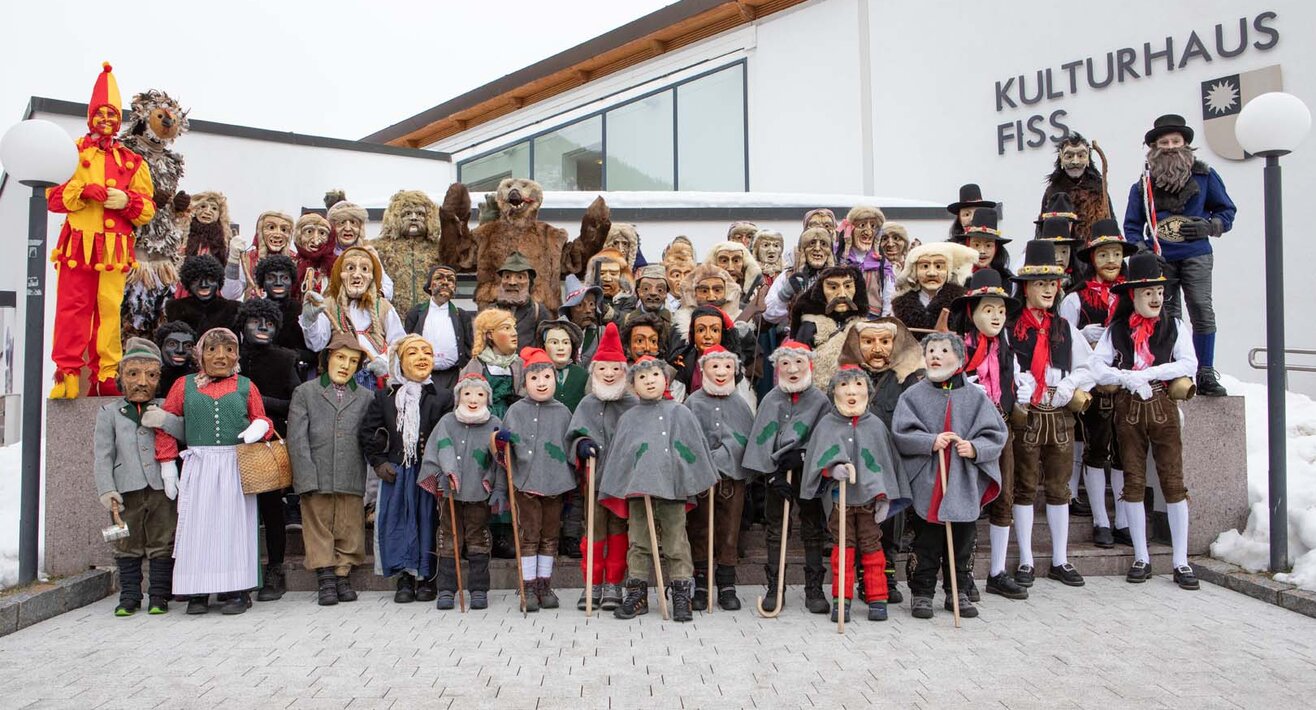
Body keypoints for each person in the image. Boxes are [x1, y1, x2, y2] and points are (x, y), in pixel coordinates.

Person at [1089, 253, 1200, 589]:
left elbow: (1188, 364)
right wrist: (1126, 378)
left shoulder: (1175, 326)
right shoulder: (1116, 330)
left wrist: (1149, 373)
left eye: (1159, 292)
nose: (1155, 298)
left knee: (1173, 481)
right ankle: (1141, 556)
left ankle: (1181, 561)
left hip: (1163, 405)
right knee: (1132, 481)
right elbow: (1096, 367)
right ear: (1133, 295)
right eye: (1147, 292)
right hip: (1129, 409)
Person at [47, 62, 156, 398]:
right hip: (78, 247)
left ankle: (106, 373)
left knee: (109, 309)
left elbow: (147, 208)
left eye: (112, 114)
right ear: (90, 117)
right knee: (72, 309)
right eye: (100, 113)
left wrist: (125, 200)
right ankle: (67, 373)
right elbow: (52, 198)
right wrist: (81, 193)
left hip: (113, 250)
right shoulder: (72, 153)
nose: (106, 120)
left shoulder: (132, 162)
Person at [154, 327, 273, 616]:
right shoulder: (184, 386)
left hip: (235, 465)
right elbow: (166, 424)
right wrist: (168, 464)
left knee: (234, 527)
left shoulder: (246, 386)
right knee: (199, 526)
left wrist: (259, 428)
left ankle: (236, 589)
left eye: (228, 350)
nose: (221, 356)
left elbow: (263, 419)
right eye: (212, 350)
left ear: (237, 355)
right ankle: (198, 590)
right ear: (200, 354)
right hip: (201, 465)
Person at [892, 332, 1007, 620]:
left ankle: (959, 591)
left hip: (962, 479)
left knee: (962, 540)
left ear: (959, 358)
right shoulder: (912, 396)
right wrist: (929, 441)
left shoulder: (976, 397)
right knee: (926, 540)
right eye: (931, 350)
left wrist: (975, 448)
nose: (936, 355)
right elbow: (901, 433)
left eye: (944, 350)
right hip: (930, 480)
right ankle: (922, 592)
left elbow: (995, 434)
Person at [1123, 114, 1236, 396]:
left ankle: (1206, 371)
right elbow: (1132, 227)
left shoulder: (1205, 176)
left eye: (1176, 141)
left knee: (1201, 308)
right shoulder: (1142, 185)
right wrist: (1144, 251)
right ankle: (1173, 369)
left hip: (1196, 254)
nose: (1171, 146)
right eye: (1165, 142)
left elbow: (1227, 211)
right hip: (1161, 259)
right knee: (1168, 315)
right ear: (1155, 148)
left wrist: (1209, 227)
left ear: (1186, 144)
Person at [598, 356, 719, 622]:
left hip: (673, 490)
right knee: (638, 541)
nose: (649, 381)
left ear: (665, 379)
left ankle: (680, 593)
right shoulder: (629, 418)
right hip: (639, 492)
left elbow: (692, 448)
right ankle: (637, 593)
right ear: (633, 385)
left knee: (676, 541)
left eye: (654, 375)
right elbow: (622, 454)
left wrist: (685, 473)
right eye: (641, 377)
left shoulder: (680, 412)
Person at [1008, 240, 1097, 589]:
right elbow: (1003, 363)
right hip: (1027, 415)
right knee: (1025, 485)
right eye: (1040, 283)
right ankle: (1027, 560)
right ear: (1026, 287)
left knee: (1059, 487)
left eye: (1052, 284)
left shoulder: (1064, 328)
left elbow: (1089, 366)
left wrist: (1069, 384)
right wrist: (1020, 381)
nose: (1047, 289)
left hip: (1059, 415)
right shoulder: (1011, 326)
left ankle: (1060, 558)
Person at [802, 365, 912, 622]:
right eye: (844, 387)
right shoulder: (826, 425)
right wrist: (831, 470)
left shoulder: (875, 426)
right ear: (834, 392)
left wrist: (886, 497)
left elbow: (887, 464)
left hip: (869, 503)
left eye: (858, 386)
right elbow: (817, 463)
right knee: (843, 548)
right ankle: (842, 599)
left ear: (867, 392)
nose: (851, 393)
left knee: (873, 547)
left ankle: (877, 597)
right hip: (840, 503)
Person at [1060, 219, 1140, 547]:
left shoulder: (1133, 295)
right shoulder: (1076, 298)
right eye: (1104, 254)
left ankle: (1122, 519)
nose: (1110, 260)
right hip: (1093, 385)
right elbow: (1060, 339)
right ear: (1092, 258)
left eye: (1116, 254)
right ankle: (1100, 519)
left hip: (1127, 382)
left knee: (1123, 452)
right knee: (1097, 449)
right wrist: (1082, 335)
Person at [950, 270, 1029, 600]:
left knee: (1004, 497)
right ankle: (961, 574)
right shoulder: (956, 347)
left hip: (1000, 428)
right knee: (967, 502)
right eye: (988, 309)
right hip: (967, 433)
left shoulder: (1005, 347)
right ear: (972, 312)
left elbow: (1011, 382)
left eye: (1000, 310)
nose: (996, 316)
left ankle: (997, 570)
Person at [361, 335, 454, 603]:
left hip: (428, 474)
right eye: (413, 353)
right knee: (400, 523)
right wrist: (379, 463)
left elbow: (447, 433)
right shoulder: (385, 397)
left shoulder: (443, 397)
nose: (422, 357)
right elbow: (368, 433)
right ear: (399, 362)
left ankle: (428, 578)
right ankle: (404, 578)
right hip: (398, 472)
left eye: (427, 352)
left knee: (429, 523)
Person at [94, 338, 183, 615]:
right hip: (126, 488)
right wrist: (107, 488)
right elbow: (103, 454)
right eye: (133, 374)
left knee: (163, 539)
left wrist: (166, 420)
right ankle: (130, 596)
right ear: (122, 377)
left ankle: (158, 595)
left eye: (151, 375)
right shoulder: (110, 413)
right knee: (126, 542)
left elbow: (184, 433)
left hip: (160, 487)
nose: (142, 382)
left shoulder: (166, 406)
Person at [743, 341, 832, 614]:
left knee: (813, 527)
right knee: (776, 527)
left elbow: (827, 437)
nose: (792, 369)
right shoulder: (771, 399)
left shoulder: (820, 401)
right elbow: (760, 440)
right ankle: (775, 586)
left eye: (798, 363)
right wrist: (771, 474)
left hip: (810, 473)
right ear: (777, 368)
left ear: (809, 365)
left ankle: (814, 588)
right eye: (785, 364)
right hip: (776, 473)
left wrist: (804, 455)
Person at [287, 333, 373, 605]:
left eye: (353, 361)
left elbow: (369, 436)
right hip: (317, 471)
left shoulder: (365, 396)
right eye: (340, 358)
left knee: (349, 526)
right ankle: (325, 577)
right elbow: (297, 438)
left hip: (351, 471)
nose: (345, 365)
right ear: (326, 359)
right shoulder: (306, 392)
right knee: (319, 525)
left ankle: (342, 574)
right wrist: (304, 474)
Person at [495, 347, 577, 611]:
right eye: (534, 378)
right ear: (525, 382)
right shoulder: (516, 411)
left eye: (546, 378)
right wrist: (500, 442)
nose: (541, 383)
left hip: (555, 482)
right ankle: (527, 585)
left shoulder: (563, 412)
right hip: (525, 483)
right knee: (529, 534)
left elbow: (570, 444)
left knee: (550, 535)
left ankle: (544, 583)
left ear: (554, 379)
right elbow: (501, 449)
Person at [567, 323, 638, 610]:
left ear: (624, 372)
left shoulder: (633, 404)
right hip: (594, 480)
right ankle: (592, 583)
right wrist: (581, 444)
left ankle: (614, 584)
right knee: (593, 530)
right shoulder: (586, 403)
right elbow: (573, 435)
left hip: (622, 481)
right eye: (602, 370)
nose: (609, 375)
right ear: (594, 372)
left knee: (619, 530)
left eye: (615, 369)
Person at [235, 298, 302, 602]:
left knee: (272, 508)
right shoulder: (230, 356)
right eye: (255, 322)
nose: (263, 328)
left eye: (270, 323)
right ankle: (238, 571)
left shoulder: (285, 359)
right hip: (229, 443)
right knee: (234, 510)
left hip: (267, 444)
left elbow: (296, 402)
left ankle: (275, 569)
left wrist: (257, 403)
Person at [420, 373, 503, 610]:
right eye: (467, 393)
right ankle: (446, 589)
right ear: (459, 397)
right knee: (448, 536)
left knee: (478, 537)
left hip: (479, 492)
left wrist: (492, 481)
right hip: (450, 492)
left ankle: (478, 589)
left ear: (487, 397)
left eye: (479, 394)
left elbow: (499, 459)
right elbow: (440, 447)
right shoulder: (447, 421)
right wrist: (448, 471)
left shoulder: (494, 422)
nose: (473, 399)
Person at [683, 345, 755, 611]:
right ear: (704, 370)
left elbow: (746, 438)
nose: (721, 372)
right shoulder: (693, 402)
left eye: (727, 367)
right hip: (702, 480)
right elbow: (687, 438)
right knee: (700, 529)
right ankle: (700, 583)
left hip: (731, 480)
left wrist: (727, 454)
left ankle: (726, 584)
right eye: (715, 367)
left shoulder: (740, 403)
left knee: (729, 530)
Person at [300, 246, 404, 387]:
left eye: (364, 269)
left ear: (372, 276)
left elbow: (399, 342)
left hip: (374, 378)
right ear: (340, 274)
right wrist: (310, 320)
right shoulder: (329, 304)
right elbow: (316, 344)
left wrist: (384, 361)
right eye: (350, 268)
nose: (357, 275)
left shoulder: (384, 306)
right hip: (337, 379)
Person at [404, 264, 474, 392]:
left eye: (450, 280)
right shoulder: (416, 313)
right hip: (422, 376)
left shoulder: (462, 315)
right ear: (430, 285)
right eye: (439, 278)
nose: (445, 283)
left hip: (453, 376)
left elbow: (469, 347)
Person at [890, 242, 979, 339]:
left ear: (948, 271)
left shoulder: (962, 302)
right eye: (925, 266)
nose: (932, 273)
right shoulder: (899, 305)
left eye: (938, 267)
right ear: (915, 271)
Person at [253, 255, 314, 380]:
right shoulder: (253, 311)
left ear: (292, 281)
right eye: (271, 278)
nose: (278, 283)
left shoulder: (301, 310)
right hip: (260, 375)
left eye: (284, 278)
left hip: (294, 377)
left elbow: (313, 353)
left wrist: (293, 356)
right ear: (262, 282)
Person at [222, 211, 295, 301]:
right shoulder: (248, 258)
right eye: (271, 227)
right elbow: (229, 294)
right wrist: (233, 257)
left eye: (284, 229)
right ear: (260, 231)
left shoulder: (295, 261)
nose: (277, 234)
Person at [165, 255, 240, 338]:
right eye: (196, 280)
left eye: (210, 279)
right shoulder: (175, 308)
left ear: (218, 281)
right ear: (188, 283)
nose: (204, 285)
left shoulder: (233, 309)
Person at [835, 205, 889, 316]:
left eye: (873, 226)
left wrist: (885, 316)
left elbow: (888, 291)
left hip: (872, 316)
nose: (868, 231)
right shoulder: (837, 256)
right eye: (862, 225)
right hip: (843, 315)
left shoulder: (882, 262)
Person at [493, 251, 552, 351]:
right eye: (507, 277)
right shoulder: (491, 310)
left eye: (520, 277)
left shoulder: (538, 311)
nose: (512, 282)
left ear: (529, 282)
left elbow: (548, 344)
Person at [154, 321, 197, 396]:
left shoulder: (201, 380)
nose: (180, 350)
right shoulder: (151, 378)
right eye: (172, 344)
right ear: (161, 347)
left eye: (188, 345)